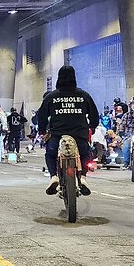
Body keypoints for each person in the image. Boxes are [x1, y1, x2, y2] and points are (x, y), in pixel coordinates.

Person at [37, 65, 99, 196]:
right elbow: (94, 114)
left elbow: (41, 115)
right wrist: (92, 127)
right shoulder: (83, 95)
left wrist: (42, 130)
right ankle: (82, 177)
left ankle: (53, 176)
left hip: (57, 136)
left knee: (50, 154)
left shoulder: (52, 96)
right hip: (79, 134)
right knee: (85, 154)